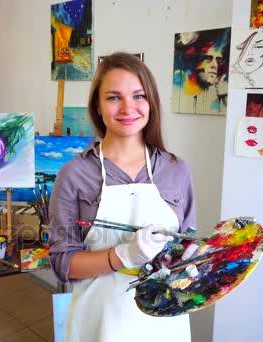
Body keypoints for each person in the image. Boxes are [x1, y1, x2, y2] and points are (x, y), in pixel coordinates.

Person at [48, 52, 196, 342]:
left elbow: (187, 246)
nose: (128, 108)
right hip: (100, 323)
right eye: (114, 97)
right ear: (98, 106)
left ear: (151, 102)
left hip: (164, 323)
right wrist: (123, 256)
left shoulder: (177, 170)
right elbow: (62, 264)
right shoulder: (74, 174)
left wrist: (192, 256)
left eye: (138, 96)